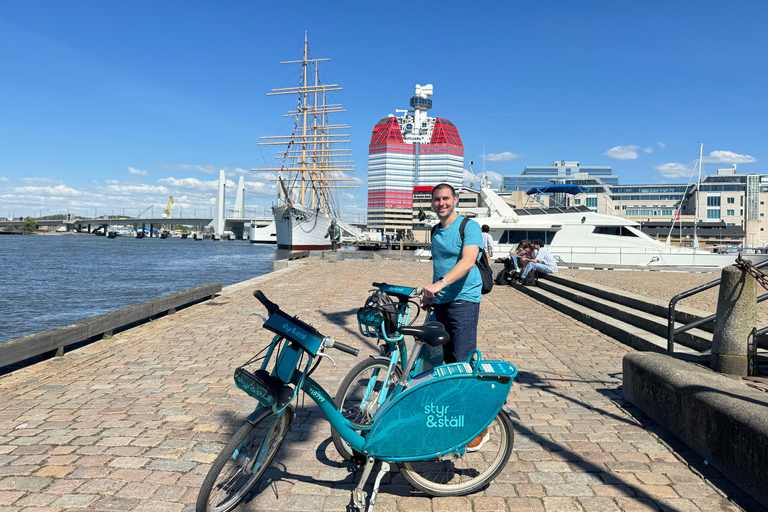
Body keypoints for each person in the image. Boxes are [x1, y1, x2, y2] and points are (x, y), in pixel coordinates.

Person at [421, 183, 488, 451]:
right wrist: (431, 293)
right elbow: (440, 266)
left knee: (462, 360)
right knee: (443, 363)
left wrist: (441, 284)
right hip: (442, 301)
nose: (441, 203)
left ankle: (475, 428)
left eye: (446, 198)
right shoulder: (436, 231)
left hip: (464, 301)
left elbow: (468, 260)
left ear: (455, 200)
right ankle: (453, 419)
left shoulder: (468, 227)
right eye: (436, 200)